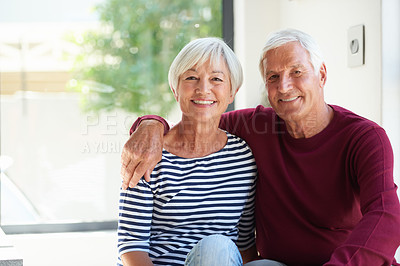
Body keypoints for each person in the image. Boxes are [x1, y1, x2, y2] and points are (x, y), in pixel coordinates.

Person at [120, 28, 400, 265]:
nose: (285, 86)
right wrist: (150, 125)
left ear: (322, 75)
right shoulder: (257, 127)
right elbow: (198, 120)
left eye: (297, 71)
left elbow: (386, 215)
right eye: (273, 77)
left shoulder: (364, 138)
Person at [117, 37, 259, 266]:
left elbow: (244, 246)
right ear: (175, 89)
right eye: (191, 78)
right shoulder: (149, 154)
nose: (203, 89)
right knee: (216, 248)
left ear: (232, 92)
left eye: (216, 79)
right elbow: (131, 249)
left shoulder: (243, 158)